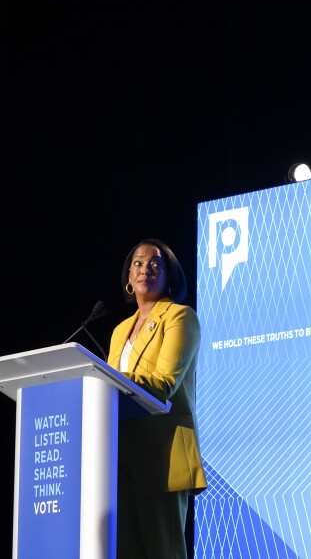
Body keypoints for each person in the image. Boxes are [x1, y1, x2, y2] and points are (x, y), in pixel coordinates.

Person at [107, 239, 208, 558]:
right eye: (137, 263)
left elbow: (165, 383)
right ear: (128, 277)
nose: (144, 269)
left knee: (163, 552)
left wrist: (104, 378)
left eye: (155, 264)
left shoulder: (180, 317)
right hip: (120, 457)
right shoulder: (120, 330)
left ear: (170, 276)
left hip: (162, 454)